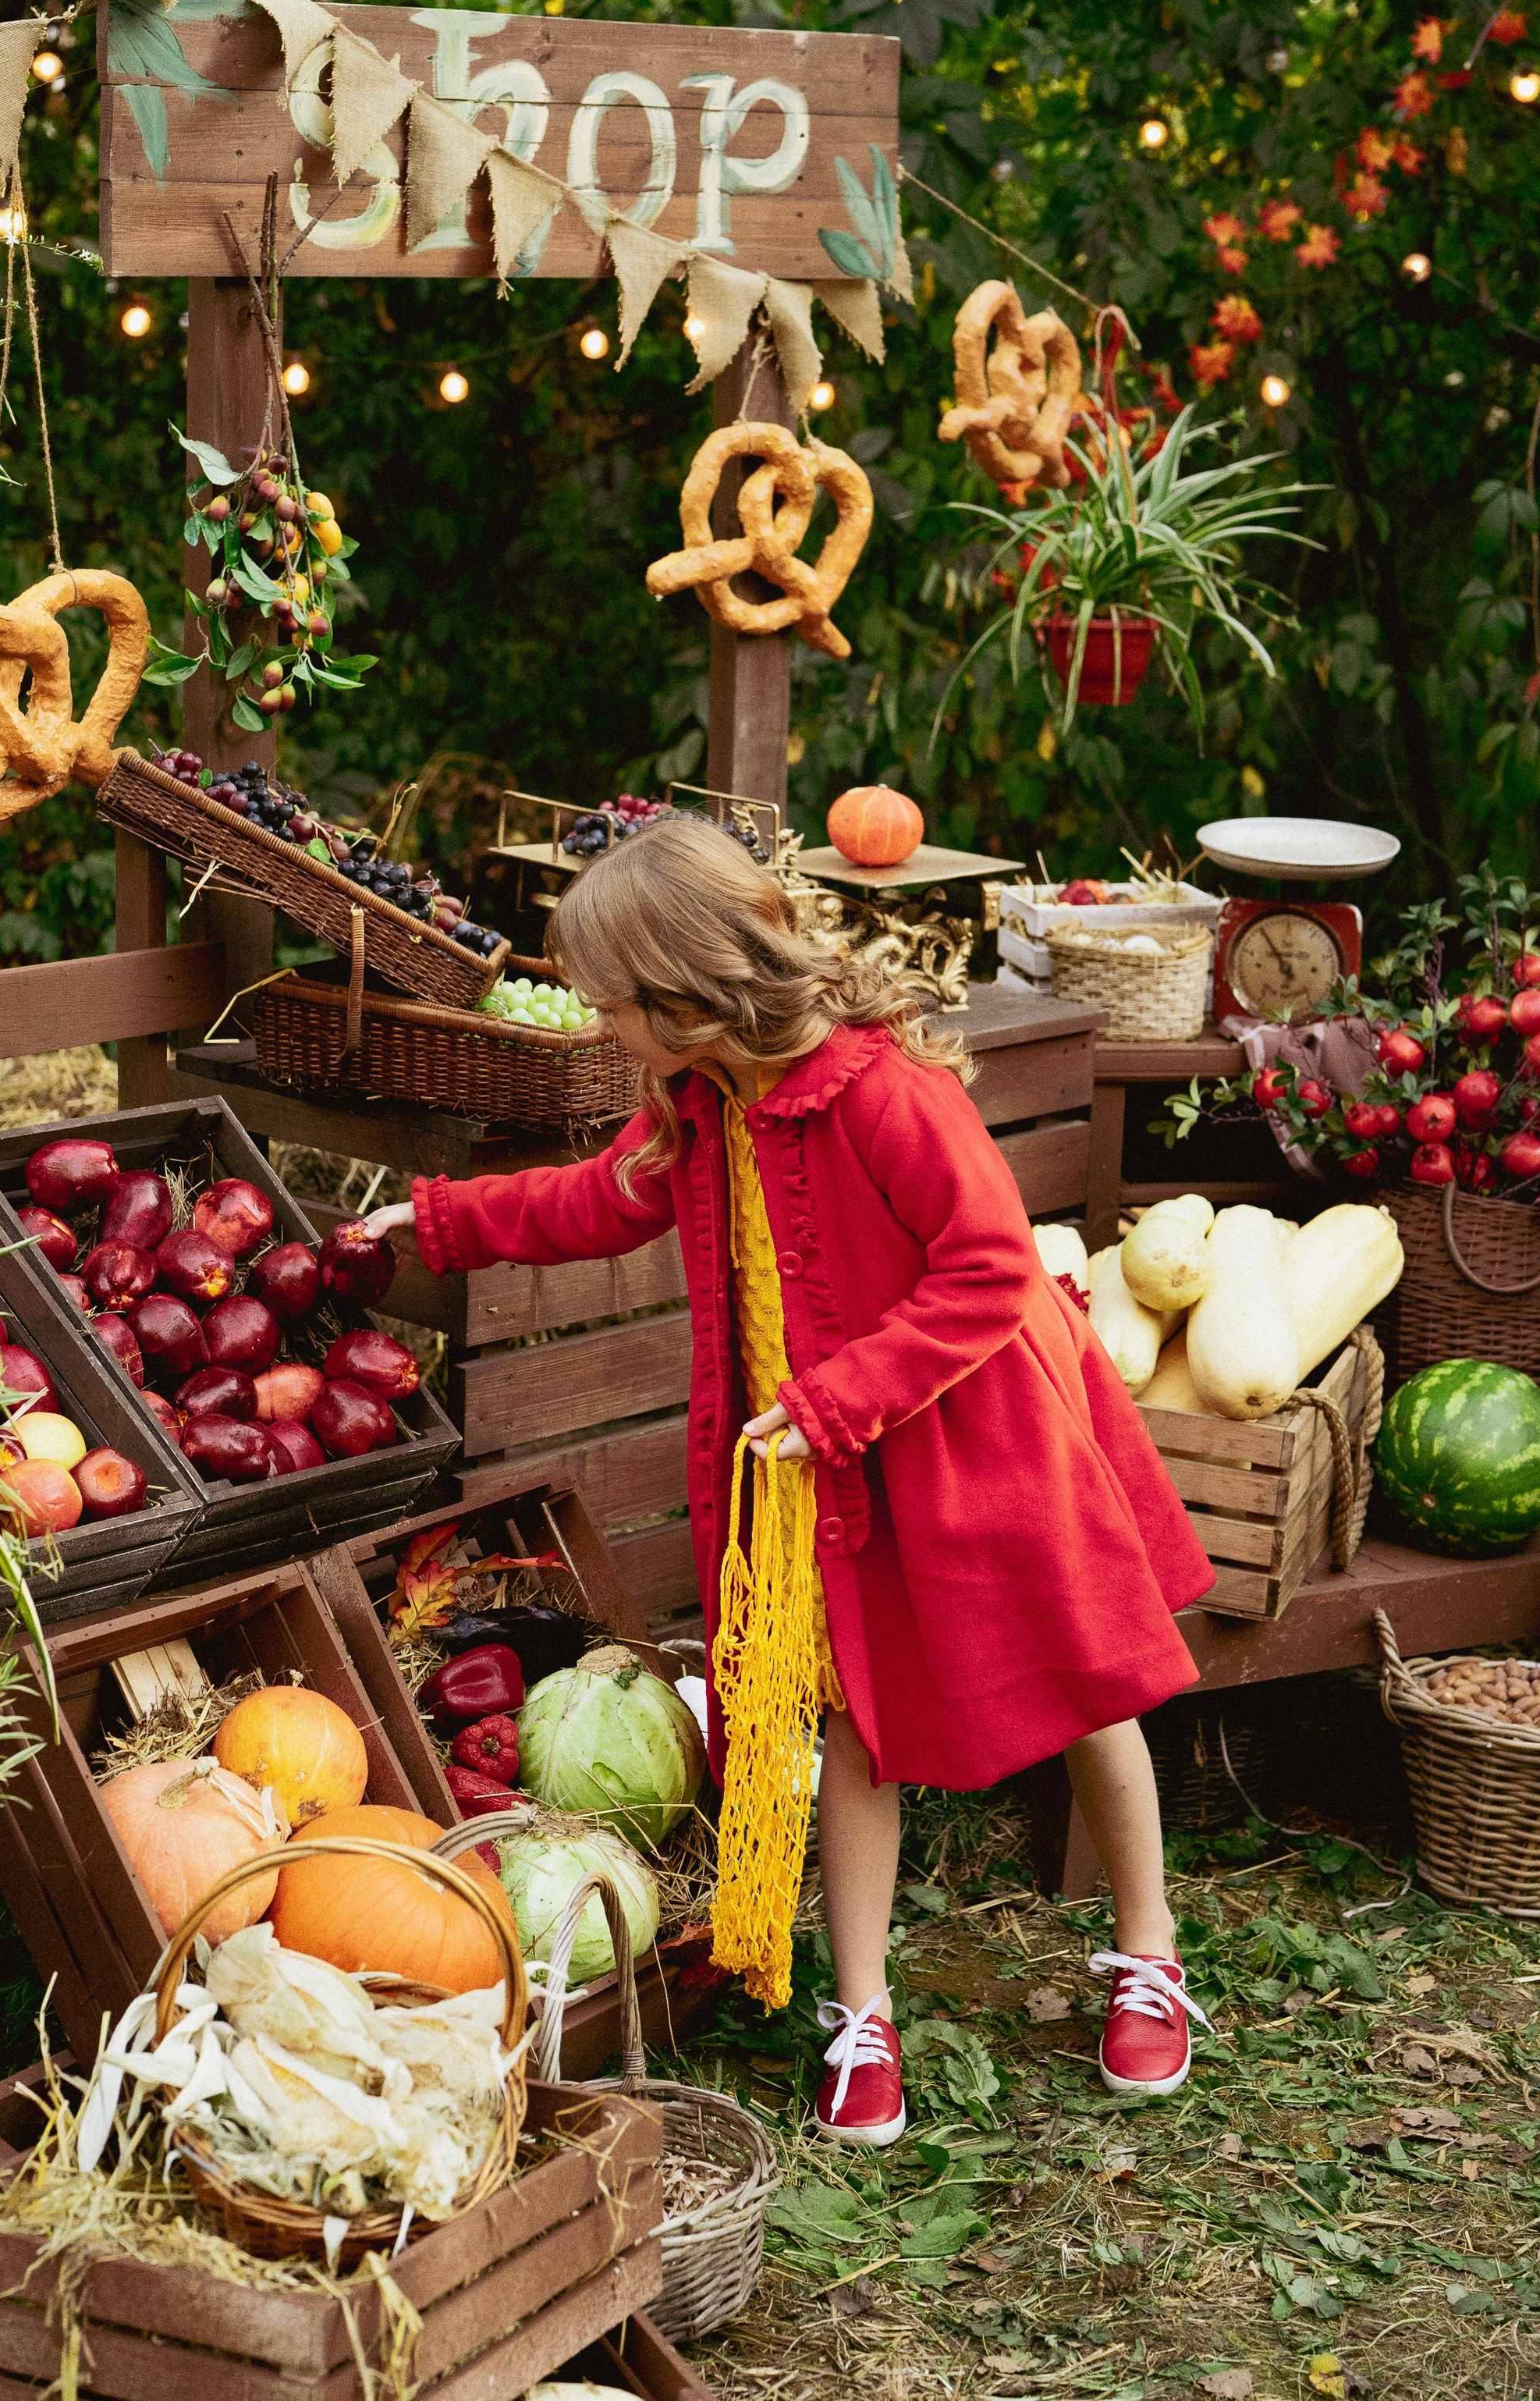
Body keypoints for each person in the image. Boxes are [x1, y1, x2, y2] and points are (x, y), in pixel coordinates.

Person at [365, 821, 1213, 2142]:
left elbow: (988, 1268)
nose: (602, 1028)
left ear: (688, 989)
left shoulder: (879, 1090)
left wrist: (837, 1402)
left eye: (612, 1006)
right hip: (816, 1461)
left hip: (972, 1436)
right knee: (851, 1718)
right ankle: (862, 2015)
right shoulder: (704, 1100)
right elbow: (601, 1201)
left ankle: (1149, 1951)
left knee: (1083, 1683)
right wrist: (436, 1223)